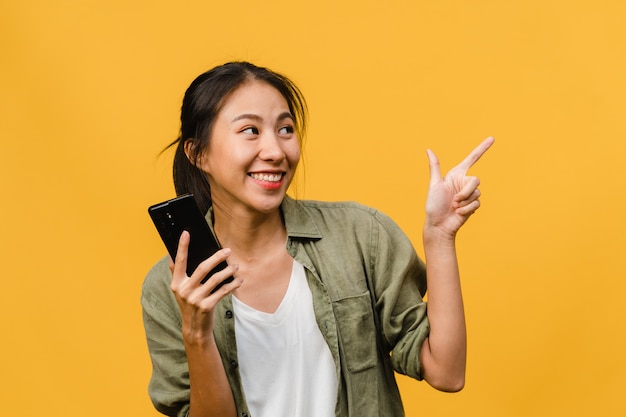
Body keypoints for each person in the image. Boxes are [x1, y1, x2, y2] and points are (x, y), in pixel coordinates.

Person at [141, 61, 494, 417]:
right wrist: (197, 333)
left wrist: (439, 236)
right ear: (198, 153)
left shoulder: (360, 235)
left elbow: (446, 372)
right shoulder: (169, 287)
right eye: (250, 130)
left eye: (285, 129)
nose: (276, 151)